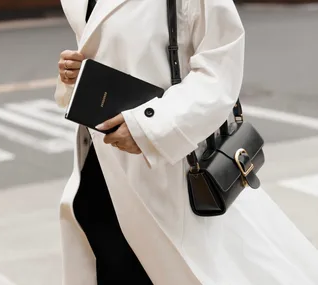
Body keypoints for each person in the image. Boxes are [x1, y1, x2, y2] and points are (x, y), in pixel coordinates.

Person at [54, 0, 318, 284]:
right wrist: (77, 73)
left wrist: (148, 127)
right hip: (99, 170)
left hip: (169, 172)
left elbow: (219, 70)